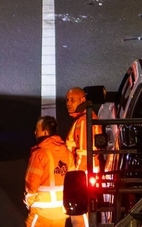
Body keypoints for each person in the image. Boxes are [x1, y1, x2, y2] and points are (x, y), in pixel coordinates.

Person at [24, 116, 72, 227]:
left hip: (42, 212)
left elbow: (31, 184)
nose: (35, 132)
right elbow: (72, 181)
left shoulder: (39, 154)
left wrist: (30, 203)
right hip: (61, 211)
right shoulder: (67, 153)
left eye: (37, 129)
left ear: (45, 132)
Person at [64, 87, 99, 227]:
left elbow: (84, 154)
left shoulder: (84, 121)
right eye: (67, 100)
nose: (68, 103)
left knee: (79, 217)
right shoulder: (85, 118)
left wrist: (76, 179)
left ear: (83, 100)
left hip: (82, 176)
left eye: (72, 100)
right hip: (86, 174)